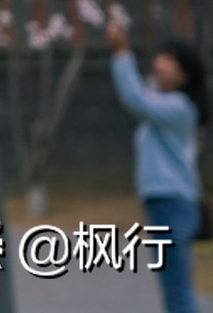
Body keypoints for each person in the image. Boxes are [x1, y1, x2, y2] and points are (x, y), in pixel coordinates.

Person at [107, 19, 207, 313]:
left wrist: (122, 53)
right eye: (160, 57)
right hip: (165, 204)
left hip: (173, 204)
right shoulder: (167, 103)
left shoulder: (179, 108)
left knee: (177, 294)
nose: (160, 64)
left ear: (185, 74)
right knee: (173, 290)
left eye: (170, 61)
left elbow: (135, 98)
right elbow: (144, 92)